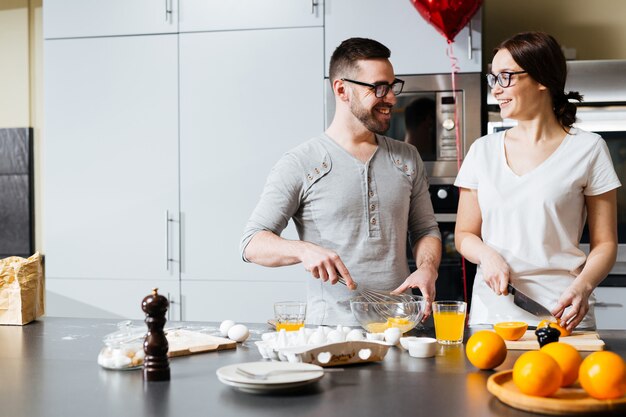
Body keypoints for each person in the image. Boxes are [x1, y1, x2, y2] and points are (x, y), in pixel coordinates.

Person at [240, 37, 442, 326]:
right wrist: (303, 250)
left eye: (392, 86)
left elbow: (425, 229)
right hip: (330, 334)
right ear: (342, 89)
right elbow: (252, 242)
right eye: (379, 88)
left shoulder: (407, 157)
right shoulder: (301, 162)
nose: (392, 99)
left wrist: (427, 268)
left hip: (399, 328)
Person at [455, 32, 620, 331]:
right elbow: (465, 234)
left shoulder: (589, 149)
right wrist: (487, 256)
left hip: (564, 313)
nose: (496, 90)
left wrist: (582, 287)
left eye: (506, 77)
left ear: (542, 79)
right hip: (493, 317)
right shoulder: (482, 151)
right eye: (494, 79)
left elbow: (606, 243)